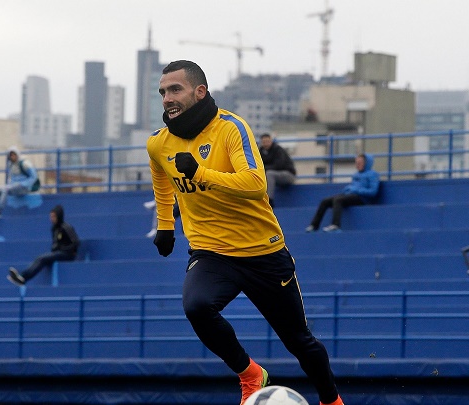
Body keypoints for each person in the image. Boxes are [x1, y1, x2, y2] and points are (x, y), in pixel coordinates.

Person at [146, 60, 343, 405]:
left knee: (299, 342)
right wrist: (165, 226)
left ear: (199, 91)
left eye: (175, 89)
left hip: (263, 253)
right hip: (211, 253)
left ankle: (331, 401)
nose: (167, 98)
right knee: (197, 307)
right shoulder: (158, 143)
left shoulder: (231, 128)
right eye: (163, 92)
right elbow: (162, 182)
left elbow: (256, 184)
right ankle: (250, 374)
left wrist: (202, 173)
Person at [305, 153, 380, 233]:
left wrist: (356, 190)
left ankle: (336, 225)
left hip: (362, 199)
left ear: (366, 163)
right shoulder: (356, 174)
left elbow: (373, 191)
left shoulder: (373, 174)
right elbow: (354, 186)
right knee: (325, 201)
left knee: (338, 200)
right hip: (352, 196)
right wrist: (348, 189)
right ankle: (314, 226)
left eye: (360, 163)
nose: (357, 165)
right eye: (356, 163)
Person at [7, 205, 80, 286]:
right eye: (51, 216)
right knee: (40, 258)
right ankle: (21, 276)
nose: (52, 219)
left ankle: (23, 277)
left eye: (54, 216)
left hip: (68, 254)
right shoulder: (54, 228)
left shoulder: (66, 227)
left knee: (42, 258)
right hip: (59, 253)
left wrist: (65, 249)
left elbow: (76, 242)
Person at [0, 146, 39, 219]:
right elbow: (13, 178)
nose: (12, 157)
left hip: (24, 187)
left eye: (13, 155)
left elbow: (34, 176)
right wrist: (12, 185)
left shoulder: (25, 163)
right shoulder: (11, 165)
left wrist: (24, 184)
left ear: (17, 155)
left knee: (5, 189)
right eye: (10, 155)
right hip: (15, 187)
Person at [259, 133, 296, 207]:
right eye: (264, 142)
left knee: (269, 174)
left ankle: (269, 201)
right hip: (272, 176)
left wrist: (264, 169)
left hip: (288, 174)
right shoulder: (260, 151)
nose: (266, 144)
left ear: (271, 141)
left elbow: (279, 165)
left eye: (267, 141)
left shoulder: (278, 150)